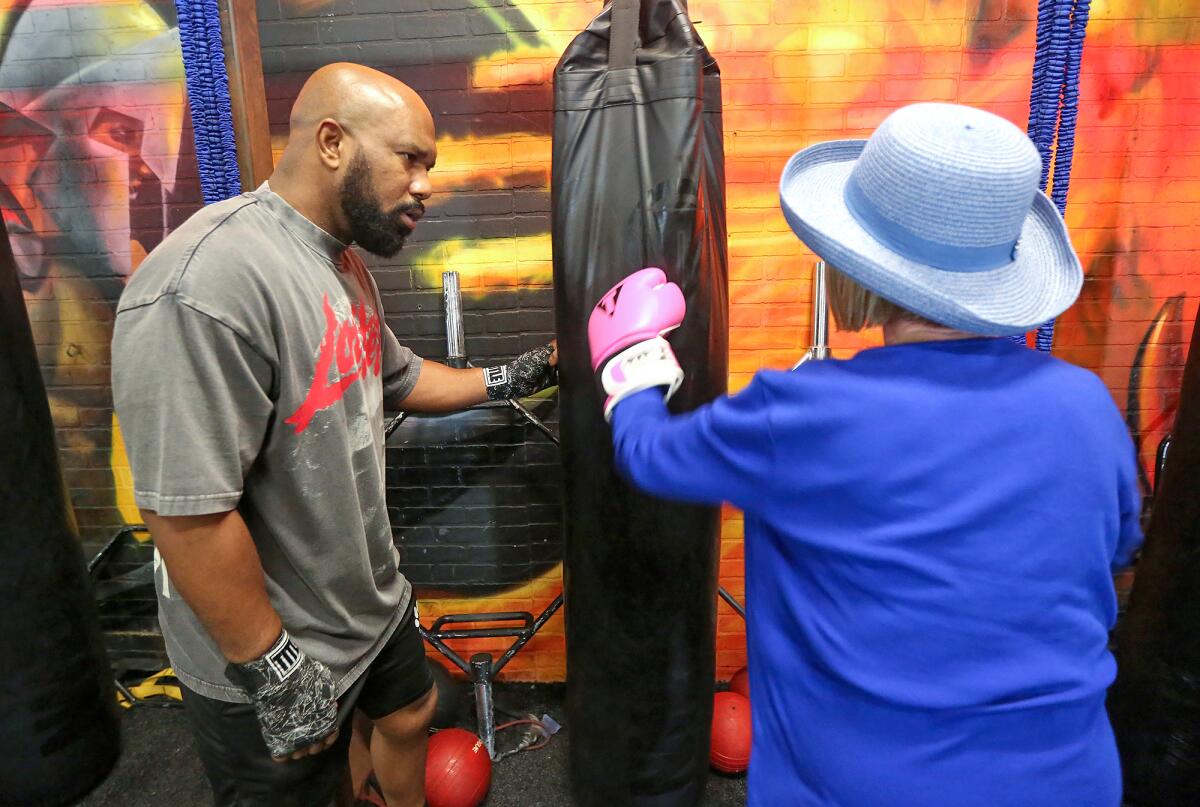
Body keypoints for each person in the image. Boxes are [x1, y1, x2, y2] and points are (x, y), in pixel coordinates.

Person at [588, 103, 1143, 807]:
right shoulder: (1088, 405)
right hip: (1073, 781)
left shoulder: (805, 412)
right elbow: (1116, 551)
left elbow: (650, 455)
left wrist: (627, 365)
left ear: (859, 263)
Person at [111, 63, 557, 807]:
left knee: (411, 711)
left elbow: (402, 379)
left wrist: (519, 374)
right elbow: (185, 513)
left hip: (364, 603)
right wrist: (273, 666)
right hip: (273, 643)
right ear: (330, 142)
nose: (425, 184)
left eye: (429, 166)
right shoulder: (204, 285)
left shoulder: (343, 264)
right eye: (410, 158)